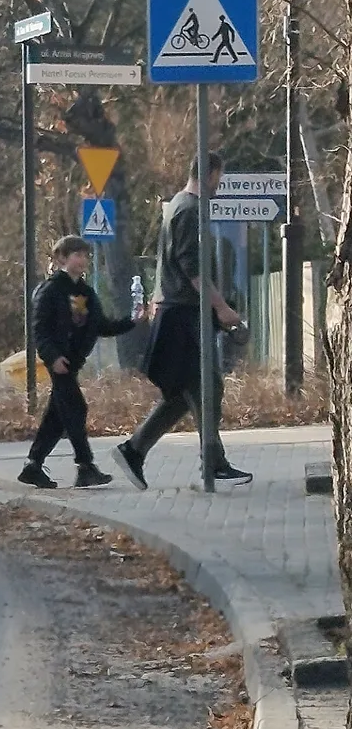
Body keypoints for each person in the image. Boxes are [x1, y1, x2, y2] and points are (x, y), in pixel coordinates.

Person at [116, 152, 251, 488]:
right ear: (210, 174)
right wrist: (221, 308)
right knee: (206, 385)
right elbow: (192, 269)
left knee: (183, 393)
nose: (220, 185)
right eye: (219, 177)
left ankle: (134, 450)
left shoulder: (178, 205)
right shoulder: (189, 210)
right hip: (183, 314)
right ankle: (213, 463)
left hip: (179, 311)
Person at [19, 235, 141, 491]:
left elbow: (101, 326)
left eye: (86, 255)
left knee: (57, 416)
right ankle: (85, 466)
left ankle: (33, 465)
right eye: (77, 255)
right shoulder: (50, 290)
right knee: (76, 408)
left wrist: (132, 321)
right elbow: (40, 330)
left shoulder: (86, 292)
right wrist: (52, 357)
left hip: (73, 362)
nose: (83, 260)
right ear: (62, 258)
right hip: (59, 361)